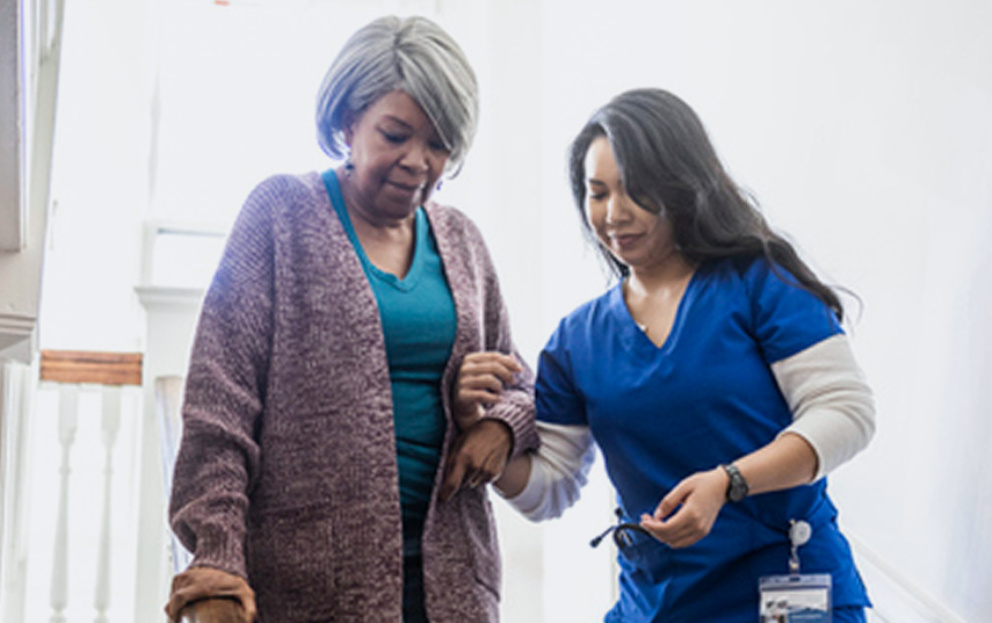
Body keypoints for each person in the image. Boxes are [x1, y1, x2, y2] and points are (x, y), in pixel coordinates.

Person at [164, 15, 537, 623]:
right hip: (309, 586)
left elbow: (519, 380)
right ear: (347, 121)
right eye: (395, 134)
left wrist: (501, 424)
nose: (417, 161)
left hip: (451, 586)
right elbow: (220, 407)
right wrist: (217, 557)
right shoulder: (280, 215)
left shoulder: (463, 241)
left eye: (439, 144)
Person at [465, 88, 876, 621]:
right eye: (597, 193)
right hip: (661, 604)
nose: (615, 214)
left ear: (682, 185)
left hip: (784, 593)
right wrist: (484, 435)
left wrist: (728, 482)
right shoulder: (578, 340)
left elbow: (846, 412)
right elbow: (550, 488)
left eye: (636, 191)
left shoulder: (758, 284)